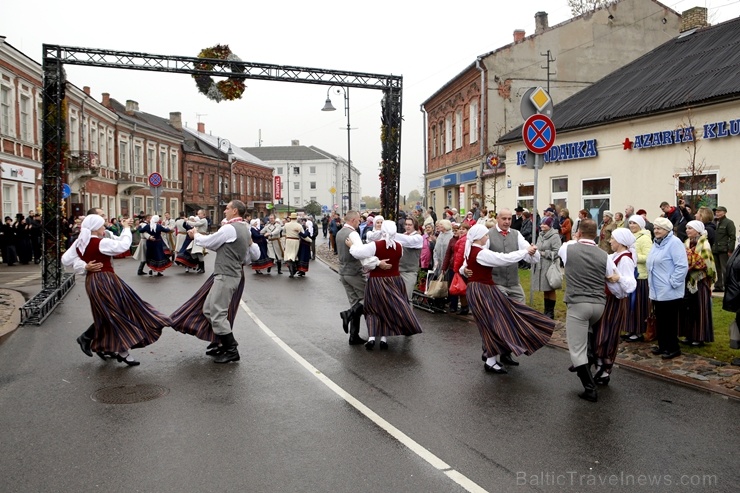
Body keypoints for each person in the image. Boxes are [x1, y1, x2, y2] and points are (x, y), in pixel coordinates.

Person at [63, 214, 170, 366]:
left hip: (97, 281)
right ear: (95, 228)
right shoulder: (99, 242)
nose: (104, 227)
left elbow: (66, 259)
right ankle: (121, 351)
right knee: (114, 313)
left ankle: (103, 345)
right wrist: (126, 229)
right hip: (104, 281)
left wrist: (83, 265)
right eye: (101, 225)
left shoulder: (81, 242)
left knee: (114, 312)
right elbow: (123, 246)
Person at [170, 200, 258, 363]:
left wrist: (195, 235)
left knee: (217, 312)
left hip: (226, 274)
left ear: (235, 211)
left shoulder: (230, 228)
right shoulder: (244, 229)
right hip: (228, 273)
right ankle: (221, 343)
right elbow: (248, 255)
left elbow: (209, 242)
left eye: (227, 208)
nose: (225, 211)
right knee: (209, 309)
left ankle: (231, 349)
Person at [462, 224, 554, 374]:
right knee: (495, 323)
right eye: (485, 235)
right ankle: (492, 360)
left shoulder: (474, 250)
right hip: (482, 290)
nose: (487, 237)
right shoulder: (480, 252)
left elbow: (466, 265)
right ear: (479, 237)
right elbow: (503, 259)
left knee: (495, 323)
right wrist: (524, 251)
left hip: (481, 289)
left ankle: (492, 359)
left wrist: (464, 270)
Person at [558, 219, 618, 402]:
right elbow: (613, 275)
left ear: (578, 232)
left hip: (578, 303)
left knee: (576, 349)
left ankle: (589, 388)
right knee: (588, 334)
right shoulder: (604, 255)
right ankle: (589, 359)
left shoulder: (568, 248)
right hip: (599, 305)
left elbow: (566, 249)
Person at [348, 221, 423, 350]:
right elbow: (398, 258)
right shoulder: (399, 246)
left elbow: (357, 253)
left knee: (373, 308)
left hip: (377, 280)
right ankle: (383, 339)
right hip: (394, 280)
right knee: (386, 308)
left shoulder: (375, 245)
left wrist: (351, 245)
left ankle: (372, 337)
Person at [593, 228, 637, 385]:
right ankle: (599, 364)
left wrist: (619, 278)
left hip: (616, 301)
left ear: (621, 242)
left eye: (613, 239)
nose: (610, 241)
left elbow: (631, 284)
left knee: (608, 333)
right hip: (607, 299)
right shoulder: (615, 256)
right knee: (601, 331)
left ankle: (605, 369)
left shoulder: (625, 259)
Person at [647, 217, 689, 360]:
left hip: (670, 290)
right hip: (657, 290)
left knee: (669, 321)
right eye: (655, 228)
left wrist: (672, 283)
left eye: (659, 228)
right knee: (661, 320)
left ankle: (673, 348)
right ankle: (663, 345)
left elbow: (682, 266)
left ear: (667, 230)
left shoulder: (674, 243)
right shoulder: (656, 243)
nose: (656, 230)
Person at [679, 220, 716, 347]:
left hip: (699, 280)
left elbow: (708, 264)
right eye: (686, 228)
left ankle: (699, 336)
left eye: (690, 228)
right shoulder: (686, 243)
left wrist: (694, 263)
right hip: (688, 279)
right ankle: (689, 335)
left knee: (699, 308)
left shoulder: (704, 244)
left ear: (697, 230)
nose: (687, 230)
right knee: (688, 308)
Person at [336, 211, 369, 345]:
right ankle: (348, 314)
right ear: (354, 220)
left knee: (355, 302)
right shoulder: (353, 234)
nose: (360, 222)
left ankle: (353, 336)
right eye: (358, 220)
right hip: (354, 271)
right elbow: (360, 253)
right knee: (369, 297)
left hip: (343, 271)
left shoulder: (339, 233)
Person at [623, 215, 653, 342]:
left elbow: (648, 256)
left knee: (638, 305)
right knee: (630, 305)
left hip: (640, 275)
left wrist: (633, 256)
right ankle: (630, 329)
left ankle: (639, 331)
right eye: (630, 223)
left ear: (640, 224)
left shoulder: (645, 238)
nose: (632, 225)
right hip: (630, 274)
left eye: (634, 223)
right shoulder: (631, 237)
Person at [531, 216, 562, 319]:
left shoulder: (554, 236)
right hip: (541, 265)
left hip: (550, 265)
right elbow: (538, 246)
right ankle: (546, 310)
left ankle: (551, 312)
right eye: (541, 224)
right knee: (545, 288)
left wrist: (543, 253)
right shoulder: (541, 235)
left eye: (544, 224)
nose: (542, 226)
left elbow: (557, 252)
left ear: (549, 225)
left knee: (550, 288)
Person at [395, 215, 423, 301]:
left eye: (410, 225)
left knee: (407, 298)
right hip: (398, 271)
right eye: (406, 224)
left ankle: (408, 314)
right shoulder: (403, 235)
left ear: (415, 226)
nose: (407, 226)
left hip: (409, 272)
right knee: (398, 298)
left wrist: (391, 233)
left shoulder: (417, 237)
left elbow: (408, 241)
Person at [712, 206, 736, 293]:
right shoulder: (714, 222)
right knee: (717, 269)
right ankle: (719, 286)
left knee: (725, 269)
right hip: (715, 249)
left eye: (719, 212)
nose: (717, 213)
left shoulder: (728, 223)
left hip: (724, 249)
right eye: (716, 212)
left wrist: (730, 250)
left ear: (725, 212)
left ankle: (728, 286)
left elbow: (732, 237)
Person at [282, 212, 303, 278]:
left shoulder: (286, 225)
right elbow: (303, 234)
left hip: (288, 240)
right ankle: (294, 269)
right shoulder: (299, 225)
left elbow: (284, 231)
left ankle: (291, 271)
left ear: (290, 218)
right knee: (294, 255)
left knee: (288, 256)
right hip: (296, 241)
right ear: (296, 218)